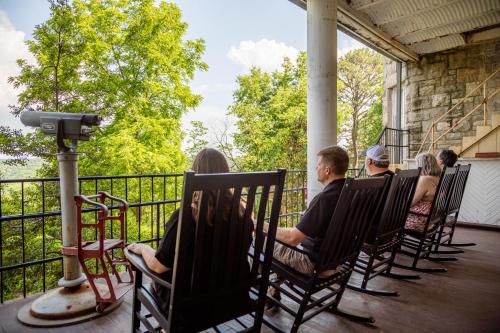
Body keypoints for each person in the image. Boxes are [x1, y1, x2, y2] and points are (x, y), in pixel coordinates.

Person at [127, 148, 251, 314]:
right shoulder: (242, 215)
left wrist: (142, 248)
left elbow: (159, 266)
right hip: (234, 299)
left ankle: (168, 327)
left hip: (191, 307)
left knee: (156, 281)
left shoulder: (185, 217)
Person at [264, 146, 348, 309]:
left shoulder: (325, 198)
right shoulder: (352, 193)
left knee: (260, 240)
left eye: (318, 165)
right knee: (282, 238)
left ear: (327, 170)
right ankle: (272, 288)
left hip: (312, 263)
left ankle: (267, 292)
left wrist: (260, 225)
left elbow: (292, 239)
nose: (316, 168)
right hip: (337, 260)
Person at [404, 153, 442, 233]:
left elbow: (410, 203)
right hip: (430, 219)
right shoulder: (438, 178)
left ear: (422, 165)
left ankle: (387, 242)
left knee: (387, 217)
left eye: (417, 164)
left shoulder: (424, 180)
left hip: (418, 220)